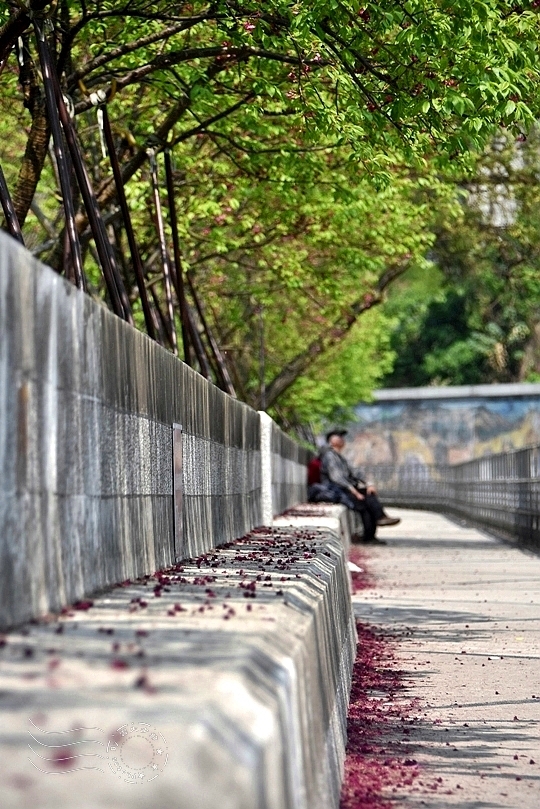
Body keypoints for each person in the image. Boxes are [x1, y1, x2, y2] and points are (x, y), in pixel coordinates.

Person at [310, 429, 400, 545]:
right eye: (338, 437)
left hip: (345, 489)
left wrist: (369, 484)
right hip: (335, 491)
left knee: (368, 496)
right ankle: (375, 525)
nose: (342, 439)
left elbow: (355, 472)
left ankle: (377, 523)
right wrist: (354, 492)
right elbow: (337, 478)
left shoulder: (340, 458)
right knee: (363, 504)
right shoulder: (329, 456)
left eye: (342, 437)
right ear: (331, 442)